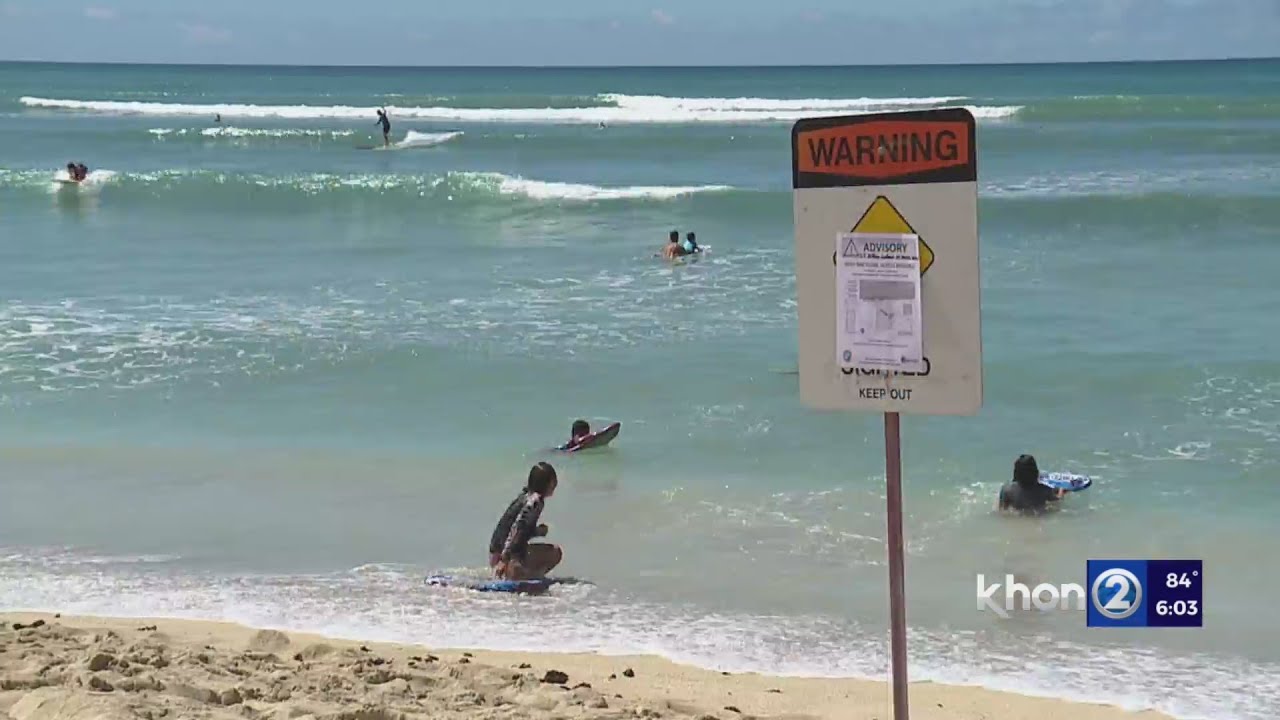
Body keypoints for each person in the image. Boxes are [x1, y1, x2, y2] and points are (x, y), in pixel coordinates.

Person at [489, 462, 563, 580]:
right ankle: (518, 574)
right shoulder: (535, 501)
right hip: (505, 557)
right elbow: (517, 528)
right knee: (556, 552)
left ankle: (518, 573)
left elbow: (516, 529)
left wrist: (536, 531)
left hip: (496, 553)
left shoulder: (524, 496)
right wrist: (504, 559)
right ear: (547, 483)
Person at [997, 454, 1065, 514]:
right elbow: (1057, 501)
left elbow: (1002, 511)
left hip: (1018, 519)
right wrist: (1062, 488)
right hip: (1038, 517)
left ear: (1016, 472)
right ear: (1035, 472)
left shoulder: (1007, 490)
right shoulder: (1044, 489)